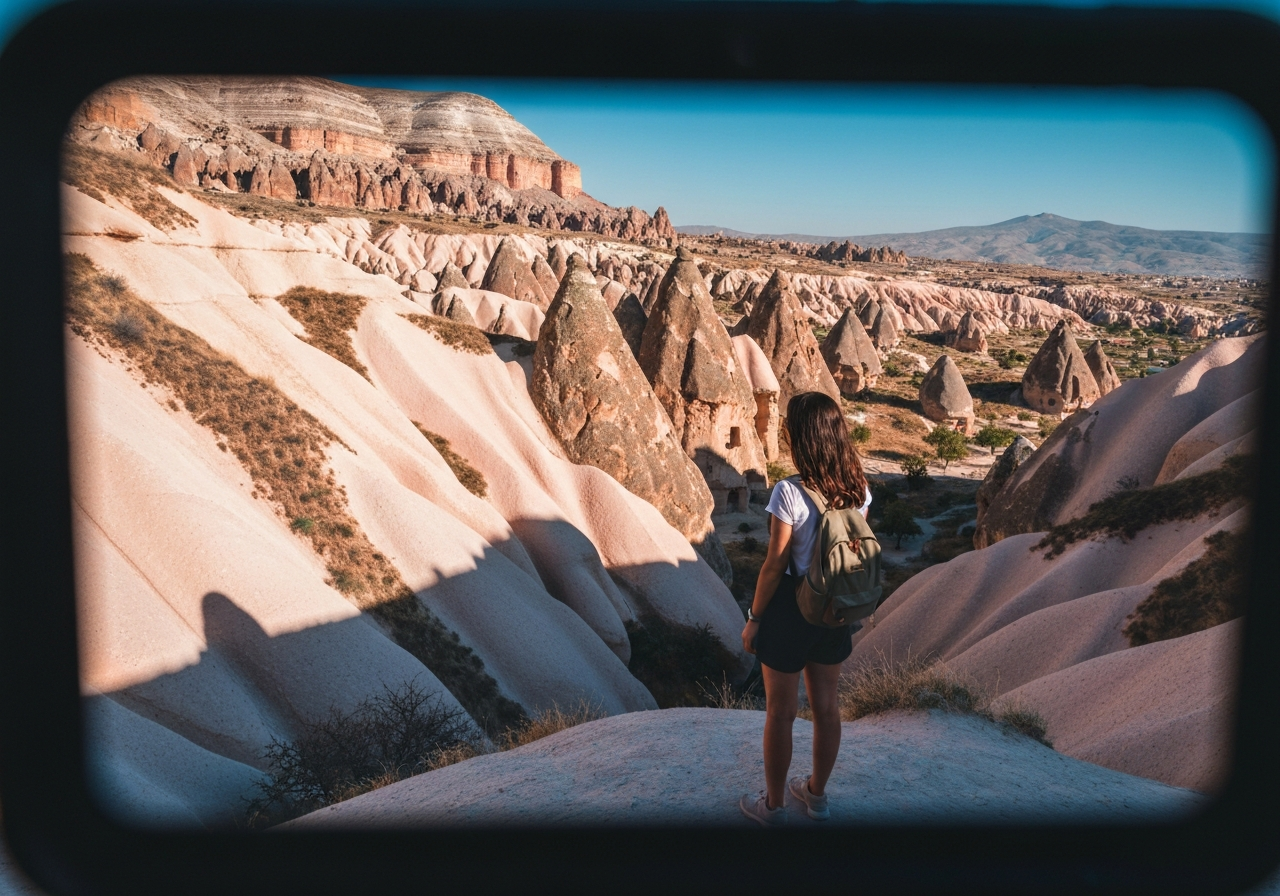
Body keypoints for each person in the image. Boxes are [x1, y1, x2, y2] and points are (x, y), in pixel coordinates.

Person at [739, 391, 872, 826]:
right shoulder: (859, 489)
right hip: (835, 610)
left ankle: (774, 807)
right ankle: (816, 795)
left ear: (802, 438)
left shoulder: (788, 493)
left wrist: (755, 619)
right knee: (827, 707)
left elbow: (774, 566)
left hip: (791, 612)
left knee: (781, 711)